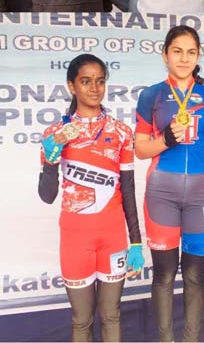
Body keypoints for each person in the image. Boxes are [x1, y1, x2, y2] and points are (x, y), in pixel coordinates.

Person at [134, 25, 204, 342]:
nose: (184, 58)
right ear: (165, 54)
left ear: (198, 55)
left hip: (202, 194)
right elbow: (140, 149)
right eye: (177, 51)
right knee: (163, 274)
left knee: (194, 274)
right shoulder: (152, 95)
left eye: (191, 52)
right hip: (161, 192)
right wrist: (165, 139)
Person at [38, 54, 143, 341]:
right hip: (75, 240)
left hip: (113, 239)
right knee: (82, 320)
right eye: (86, 81)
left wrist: (135, 241)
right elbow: (47, 196)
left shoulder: (121, 132)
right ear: (72, 86)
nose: (95, 88)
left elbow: (128, 189)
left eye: (100, 81)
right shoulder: (56, 133)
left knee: (111, 315)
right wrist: (50, 158)